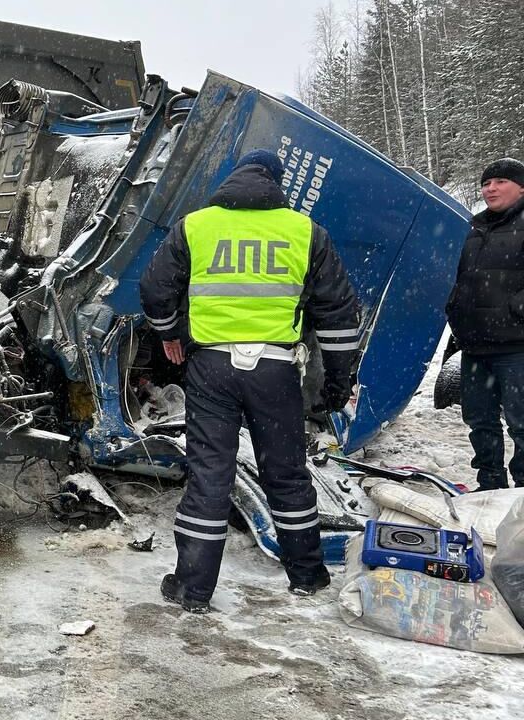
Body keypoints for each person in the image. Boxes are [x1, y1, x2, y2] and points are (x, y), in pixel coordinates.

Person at [139, 150, 362, 613]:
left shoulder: (196, 226)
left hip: (211, 368)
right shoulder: (305, 232)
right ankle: (307, 574)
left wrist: (170, 334)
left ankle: (193, 588)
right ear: (276, 184)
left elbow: (156, 289)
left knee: (209, 476)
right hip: (276, 370)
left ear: (232, 180)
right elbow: (338, 313)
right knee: (285, 472)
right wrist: (339, 379)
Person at [445, 158, 524, 491]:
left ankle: (522, 491)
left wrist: (515, 308)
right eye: (486, 182)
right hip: (475, 343)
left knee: (521, 424)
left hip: (516, 345)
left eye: (500, 181)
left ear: (521, 187)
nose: (490, 188)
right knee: (479, 421)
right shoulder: (476, 227)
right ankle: (490, 483)